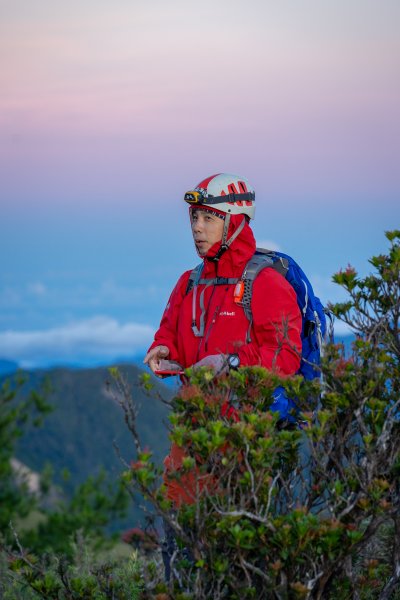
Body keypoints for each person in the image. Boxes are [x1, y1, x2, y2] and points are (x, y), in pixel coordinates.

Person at [143, 173, 302, 578]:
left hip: (250, 438)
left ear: (235, 221)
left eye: (209, 218)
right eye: (194, 217)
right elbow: (172, 333)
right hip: (194, 434)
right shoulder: (190, 282)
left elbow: (285, 358)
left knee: (245, 559)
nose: (197, 228)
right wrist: (163, 349)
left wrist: (228, 363)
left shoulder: (265, 283)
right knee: (182, 544)